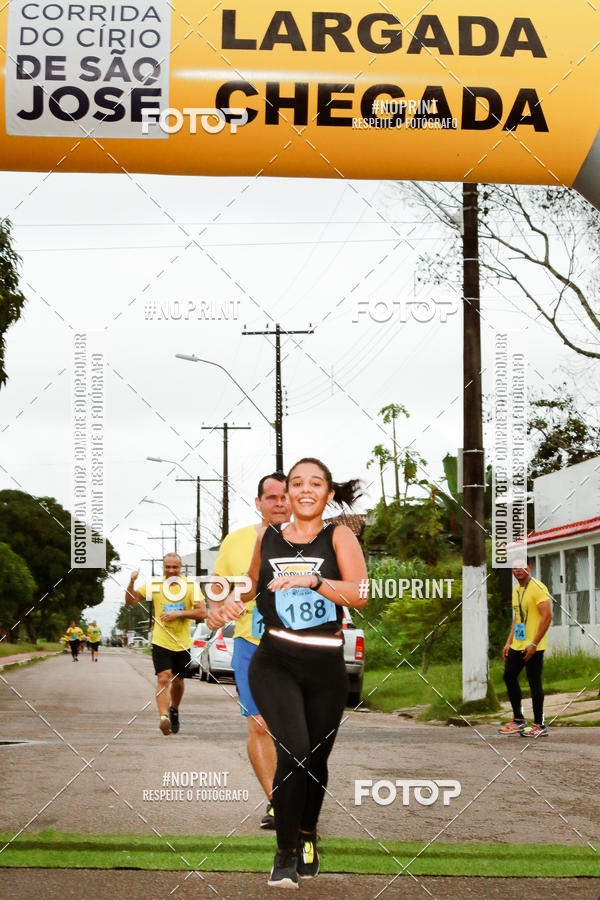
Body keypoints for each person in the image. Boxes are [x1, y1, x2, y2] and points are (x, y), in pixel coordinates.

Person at [226, 457, 367, 888]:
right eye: (297, 482)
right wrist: (228, 599)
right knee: (295, 752)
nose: (306, 489)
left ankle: (307, 833)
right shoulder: (267, 537)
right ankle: (285, 853)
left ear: (328, 494)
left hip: (325, 665)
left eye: (316, 483)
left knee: (316, 760)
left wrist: (313, 581)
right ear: (286, 493)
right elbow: (250, 585)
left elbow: (359, 592)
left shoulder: (338, 535)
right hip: (275, 661)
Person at [207, 472, 290, 831]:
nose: (279, 503)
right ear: (259, 503)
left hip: (302, 646)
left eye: (285, 496)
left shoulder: (319, 537)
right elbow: (219, 587)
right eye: (271, 497)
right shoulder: (236, 540)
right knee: (260, 725)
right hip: (251, 644)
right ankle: (278, 803)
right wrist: (216, 608)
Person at [126, 552, 206, 735]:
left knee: (178, 680)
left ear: (180, 568)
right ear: (164, 567)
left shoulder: (190, 586)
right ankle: (164, 718)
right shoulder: (155, 584)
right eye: (167, 567)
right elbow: (131, 601)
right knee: (163, 677)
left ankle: (174, 709)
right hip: (161, 641)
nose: (171, 570)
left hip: (182, 642)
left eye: (174, 567)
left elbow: (202, 613)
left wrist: (178, 614)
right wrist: (132, 582)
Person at [499, 558, 552, 738]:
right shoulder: (516, 590)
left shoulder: (538, 587)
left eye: (521, 567)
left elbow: (547, 617)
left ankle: (539, 724)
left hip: (534, 646)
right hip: (518, 643)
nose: (518, 570)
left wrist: (534, 643)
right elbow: (517, 618)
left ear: (529, 568)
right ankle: (519, 720)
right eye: (514, 568)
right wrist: (509, 642)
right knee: (509, 676)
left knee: (534, 681)